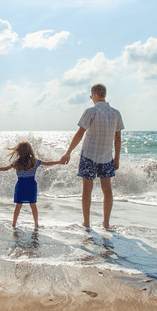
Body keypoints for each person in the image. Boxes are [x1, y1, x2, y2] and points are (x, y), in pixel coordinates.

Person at [60, 83, 124, 229]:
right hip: (107, 157)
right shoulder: (115, 113)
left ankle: (87, 223)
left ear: (95, 95)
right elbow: (118, 138)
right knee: (107, 191)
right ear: (104, 95)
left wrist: (68, 152)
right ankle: (106, 224)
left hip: (89, 156)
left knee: (87, 190)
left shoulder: (91, 112)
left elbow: (79, 134)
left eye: (91, 96)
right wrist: (117, 158)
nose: (91, 99)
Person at [0, 141, 64, 228]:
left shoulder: (17, 162)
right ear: (30, 150)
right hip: (31, 185)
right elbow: (47, 163)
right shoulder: (34, 161)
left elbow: (5, 169)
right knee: (33, 205)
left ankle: (14, 224)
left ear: (18, 151)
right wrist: (59, 162)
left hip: (20, 185)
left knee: (18, 205)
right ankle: (36, 224)